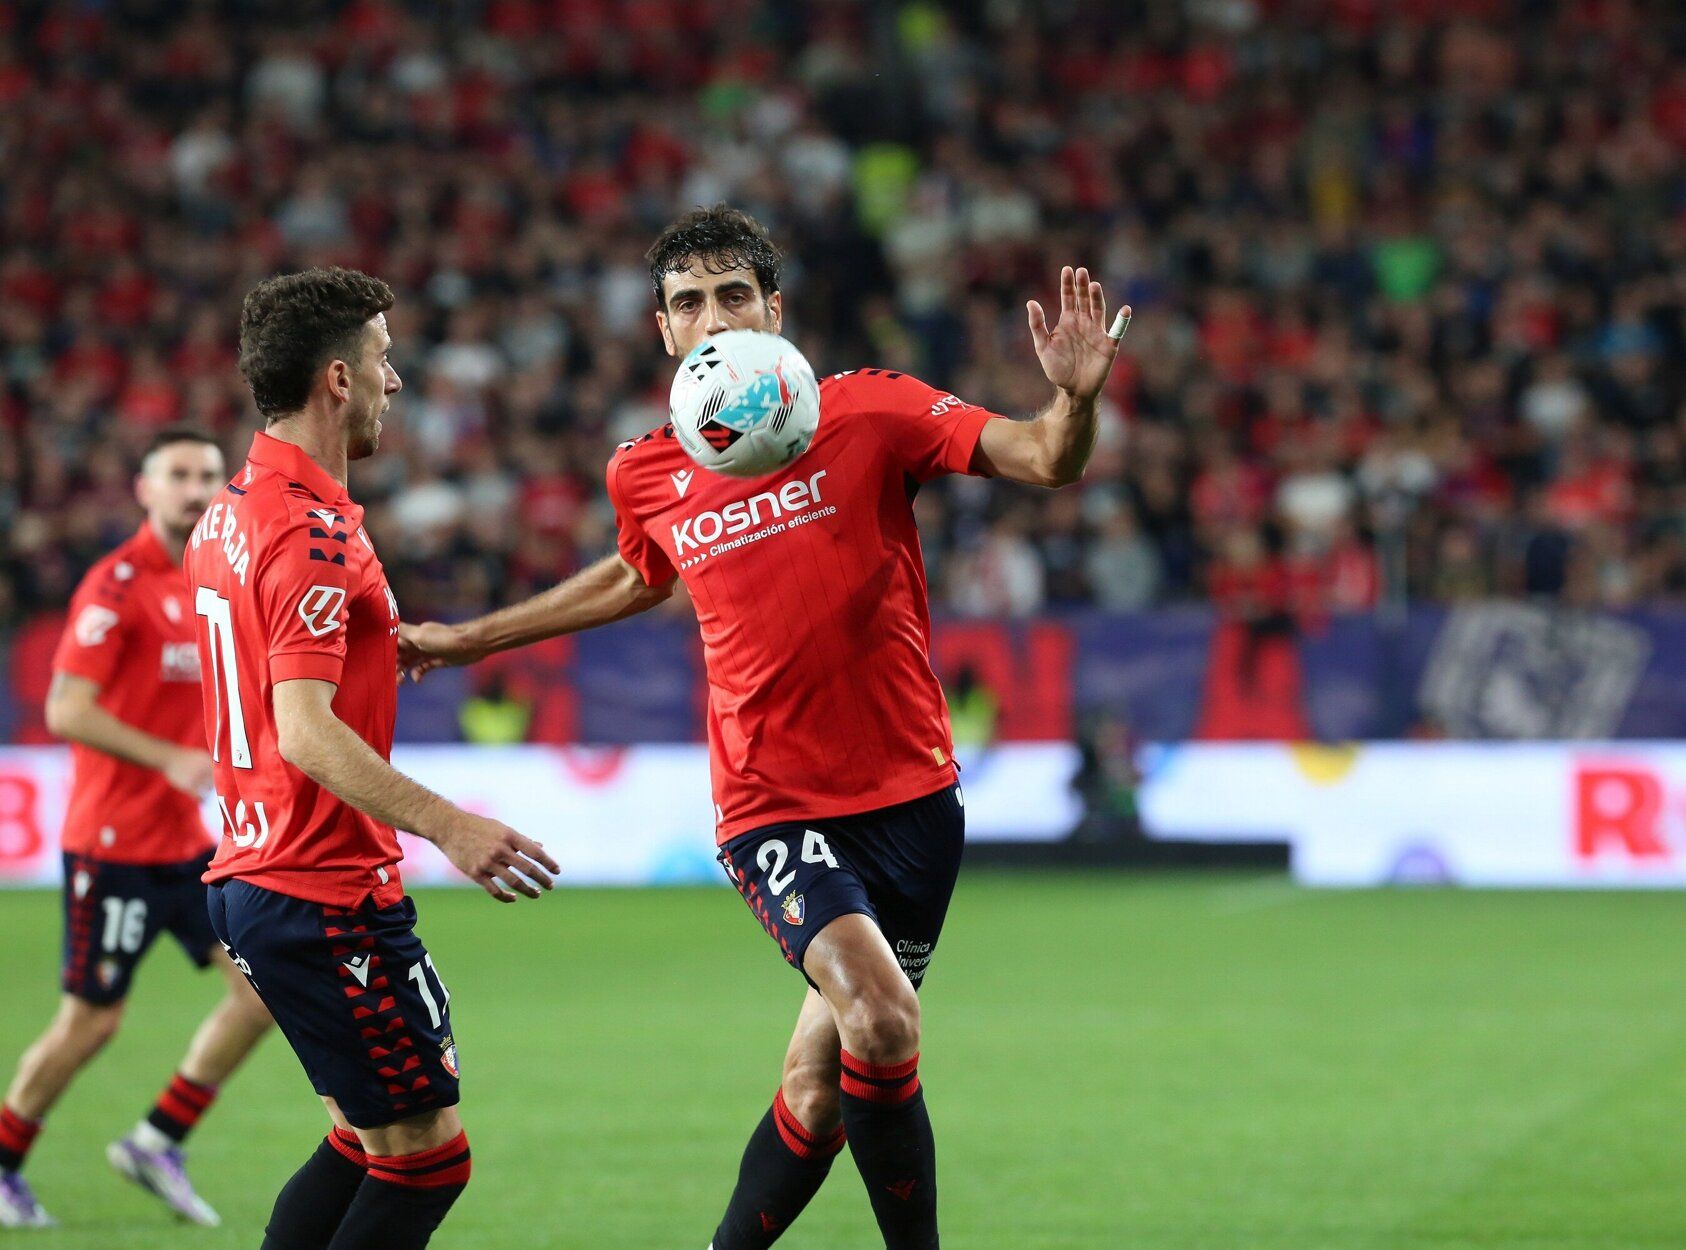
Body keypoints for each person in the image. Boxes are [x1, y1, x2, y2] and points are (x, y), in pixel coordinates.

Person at [401, 205, 1126, 1249]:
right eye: (687, 302)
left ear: (772, 309)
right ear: (663, 330)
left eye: (733, 294)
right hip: (771, 804)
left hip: (914, 797)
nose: (712, 316)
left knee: (820, 1083)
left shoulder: (872, 408)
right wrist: (474, 637)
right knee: (881, 1015)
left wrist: (1073, 398)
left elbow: (1047, 459)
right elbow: (633, 572)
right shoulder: (645, 468)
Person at [186, 267, 559, 1250]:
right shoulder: (309, 533)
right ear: (339, 380)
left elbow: (273, 663)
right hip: (320, 887)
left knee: (363, 1138)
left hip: (259, 874)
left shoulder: (231, 510)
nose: (397, 381)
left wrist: (382, 646)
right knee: (428, 1156)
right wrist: (452, 822)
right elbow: (303, 730)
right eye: (386, 359)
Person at [0, 428, 273, 1230]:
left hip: (187, 846)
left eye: (209, 475)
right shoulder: (116, 585)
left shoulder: (221, 576)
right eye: (178, 475)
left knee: (261, 991)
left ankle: (157, 1141)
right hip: (113, 844)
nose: (196, 489)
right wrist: (171, 761)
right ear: (144, 490)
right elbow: (65, 709)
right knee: (92, 1022)